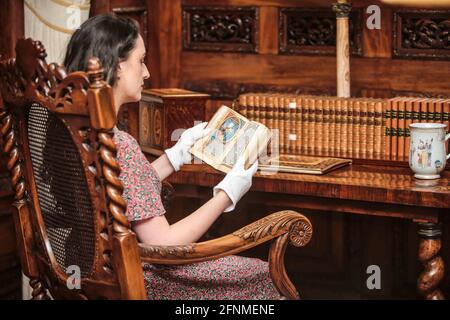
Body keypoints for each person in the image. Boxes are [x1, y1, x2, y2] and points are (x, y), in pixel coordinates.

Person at [64, 13, 280, 300]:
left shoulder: (74, 134)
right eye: (141, 61)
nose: (146, 73)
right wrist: (228, 193)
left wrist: (176, 156)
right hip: (135, 280)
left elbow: (118, 192)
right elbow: (163, 245)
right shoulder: (120, 143)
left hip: (82, 270)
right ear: (118, 67)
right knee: (264, 274)